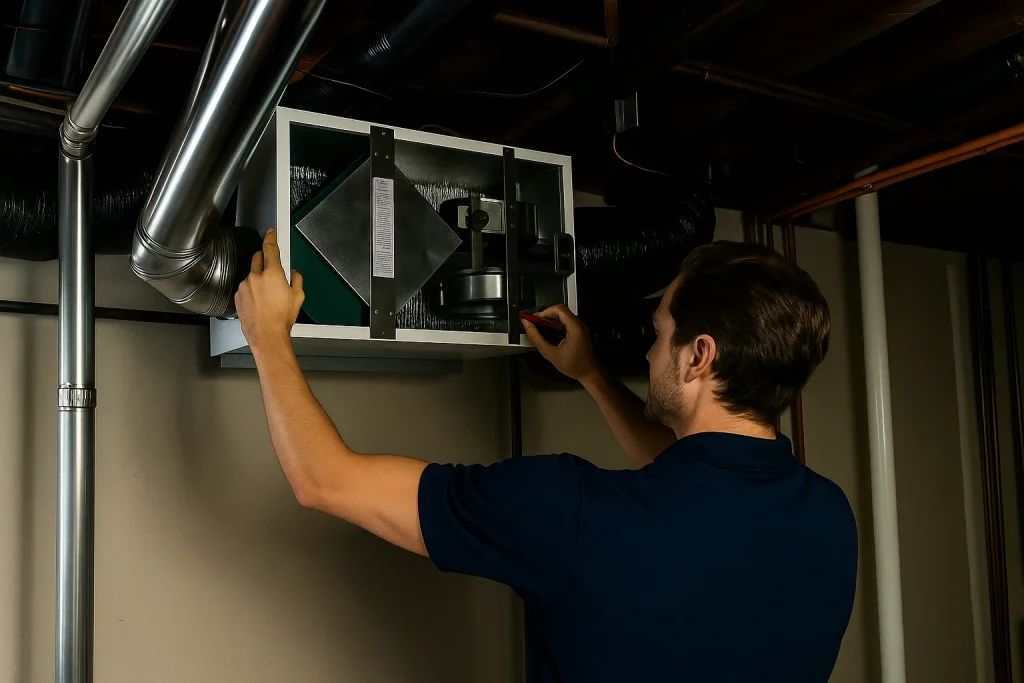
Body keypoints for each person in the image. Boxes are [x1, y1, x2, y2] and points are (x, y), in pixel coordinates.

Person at [235, 228, 857, 683]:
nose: (647, 353)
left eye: (659, 333)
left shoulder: (569, 511)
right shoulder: (829, 519)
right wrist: (591, 375)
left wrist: (267, 335)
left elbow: (324, 479)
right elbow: (686, 486)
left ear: (699, 357)